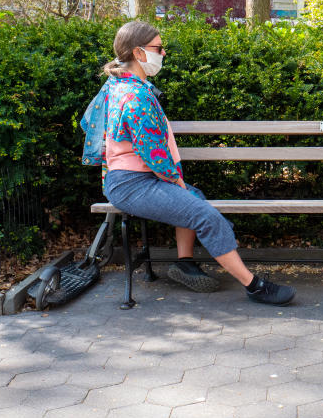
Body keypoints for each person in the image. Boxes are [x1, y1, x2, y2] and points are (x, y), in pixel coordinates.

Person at [81, 20, 296, 306]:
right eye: (158, 47)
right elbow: (153, 151)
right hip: (133, 183)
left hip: (128, 180)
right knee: (205, 215)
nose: (163, 53)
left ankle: (184, 263)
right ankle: (254, 286)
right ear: (138, 52)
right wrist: (175, 179)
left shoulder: (121, 85)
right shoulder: (135, 95)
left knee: (195, 198)